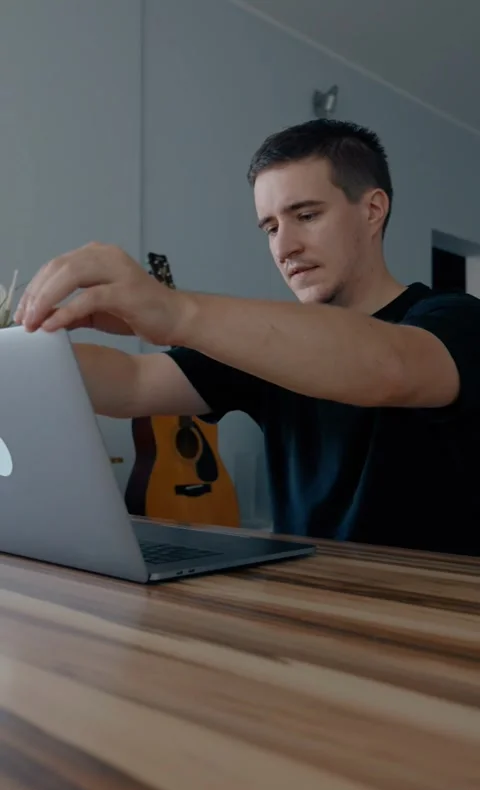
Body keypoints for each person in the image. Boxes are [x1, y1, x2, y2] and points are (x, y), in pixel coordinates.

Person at [14, 119, 480, 556]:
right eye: (271, 227)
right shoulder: (264, 341)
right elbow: (133, 381)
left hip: (437, 612)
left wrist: (174, 311)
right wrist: (20, 348)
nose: (283, 247)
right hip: (306, 604)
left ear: (373, 210)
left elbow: (389, 366)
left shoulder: (455, 318)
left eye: (307, 215)